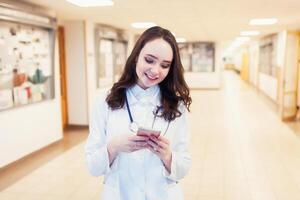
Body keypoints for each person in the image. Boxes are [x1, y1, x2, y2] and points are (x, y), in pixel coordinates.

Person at [85, 26, 192, 200]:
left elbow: (184, 166)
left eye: (165, 65)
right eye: (149, 60)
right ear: (136, 57)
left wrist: (168, 156)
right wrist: (113, 147)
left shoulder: (176, 106)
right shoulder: (105, 101)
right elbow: (92, 166)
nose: (156, 70)